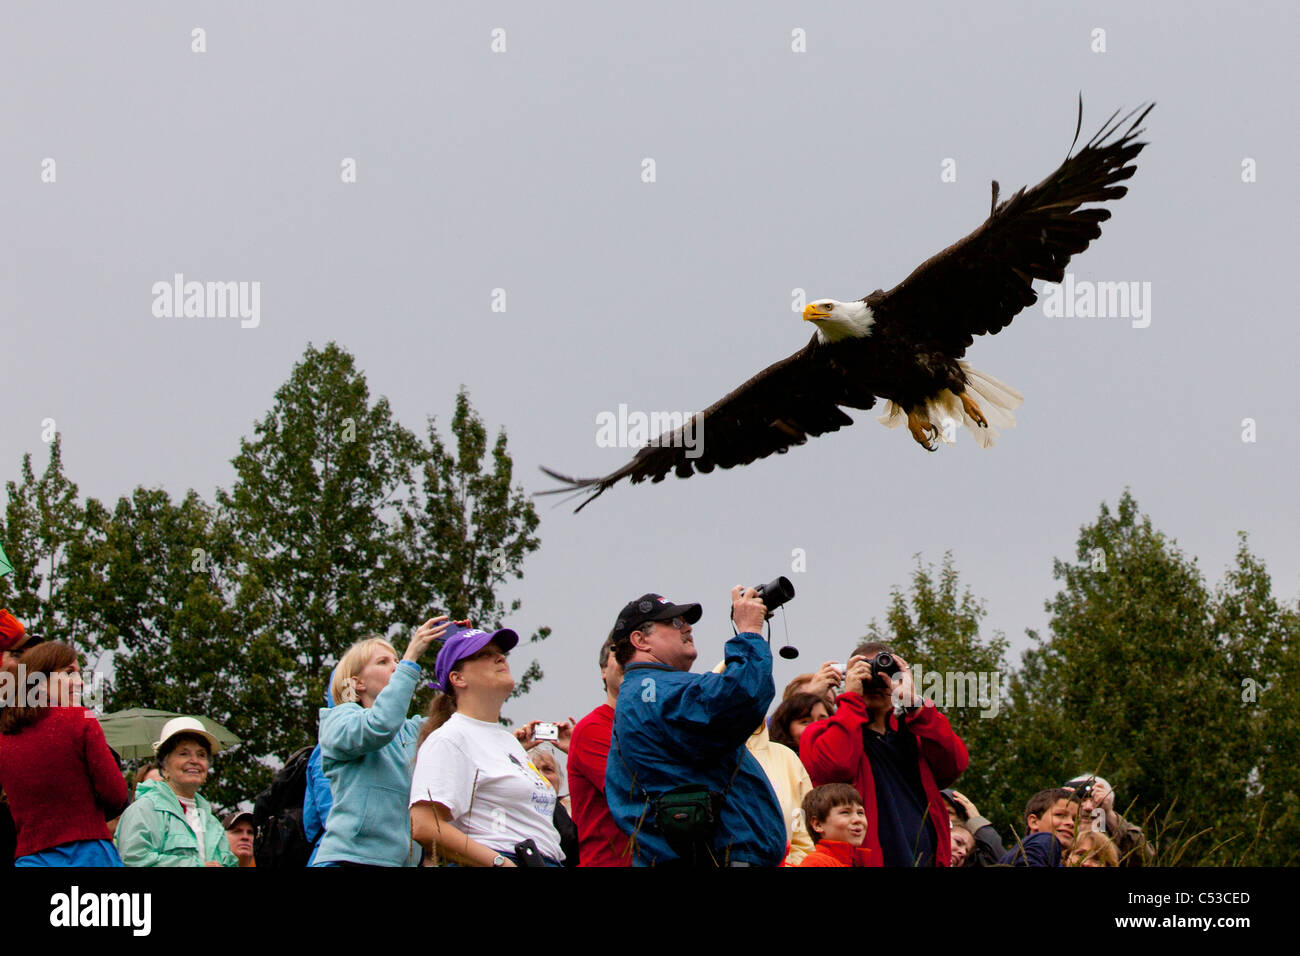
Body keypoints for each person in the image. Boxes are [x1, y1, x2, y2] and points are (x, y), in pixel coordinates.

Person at [604, 588, 786, 867]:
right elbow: (742, 696)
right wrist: (749, 632)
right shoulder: (652, 689)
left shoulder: (645, 691)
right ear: (640, 640)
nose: (687, 627)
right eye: (675, 623)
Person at [801, 641, 969, 867]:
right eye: (865, 671)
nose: (876, 680)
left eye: (885, 672)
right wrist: (851, 699)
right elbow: (835, 768)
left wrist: (914, 702)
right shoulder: (823, 732)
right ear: (848, 676)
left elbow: (954, 764)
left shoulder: (916, 732)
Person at [410, 623, 564, 867]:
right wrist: (499, 862)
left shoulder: (508, 742)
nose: (500, 657)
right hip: (505, 858)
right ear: (457, 678)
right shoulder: (449, 738)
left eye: (500, 653)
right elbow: (425, 825)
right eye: (484, 654)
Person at [313, 618, 447, 867]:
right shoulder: (338, 722)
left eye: (397, 660)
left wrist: (464, 654)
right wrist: (411, 657)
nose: (397, 667)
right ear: (357, 683)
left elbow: (457, 730)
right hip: (349, 859)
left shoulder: (412, 730)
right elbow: (380, 725)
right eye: (383, 662)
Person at [0, 641, 128, 866]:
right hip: (90, 853)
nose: (79, 683)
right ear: (39, 682)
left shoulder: (4, 738)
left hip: (31, 858)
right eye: (69, 674)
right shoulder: (81, 720)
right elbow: (117, 795)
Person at [116, 716, 238, 867]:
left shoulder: (211, 821)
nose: (194, 760)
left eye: (201, 754)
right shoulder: (144, 809)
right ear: (164, 766)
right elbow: (132, 860)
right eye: (183, 753)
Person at [566, 635, 631, 866]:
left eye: (634, 652)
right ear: (604, 670)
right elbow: (635, 792)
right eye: (619, 652)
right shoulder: (593, 728)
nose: (628, 658)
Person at [1064, 774, 1153, 866]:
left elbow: (1144, 857)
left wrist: (1109, 815)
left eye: (1096, 801)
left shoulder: (1120, 840)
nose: (1088, 808)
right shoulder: (1055, 835)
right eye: (1081, 800)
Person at [998, 788, 1079, 867]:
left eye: (1076, 820)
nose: (1071, 823)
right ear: (1034, 822)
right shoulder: (1045, 839)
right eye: (1060, 815)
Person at [798, 783, 872, 867]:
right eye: (845, 812)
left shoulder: (858, 862)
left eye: (860, 813)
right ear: (818, 824)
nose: (857, 819)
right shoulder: (816, 863)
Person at [529, 746, 578, 867]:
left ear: (560, 778)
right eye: (533, 769)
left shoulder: (575, 810)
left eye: (548, 770)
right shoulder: (512, 812)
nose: (540, 776)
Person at [941, 788, 1006, 866]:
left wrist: (977, 820)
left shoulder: (970, 859)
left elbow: (1001, 860)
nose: (963, 852)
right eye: (937, 810)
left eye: (949, 812)